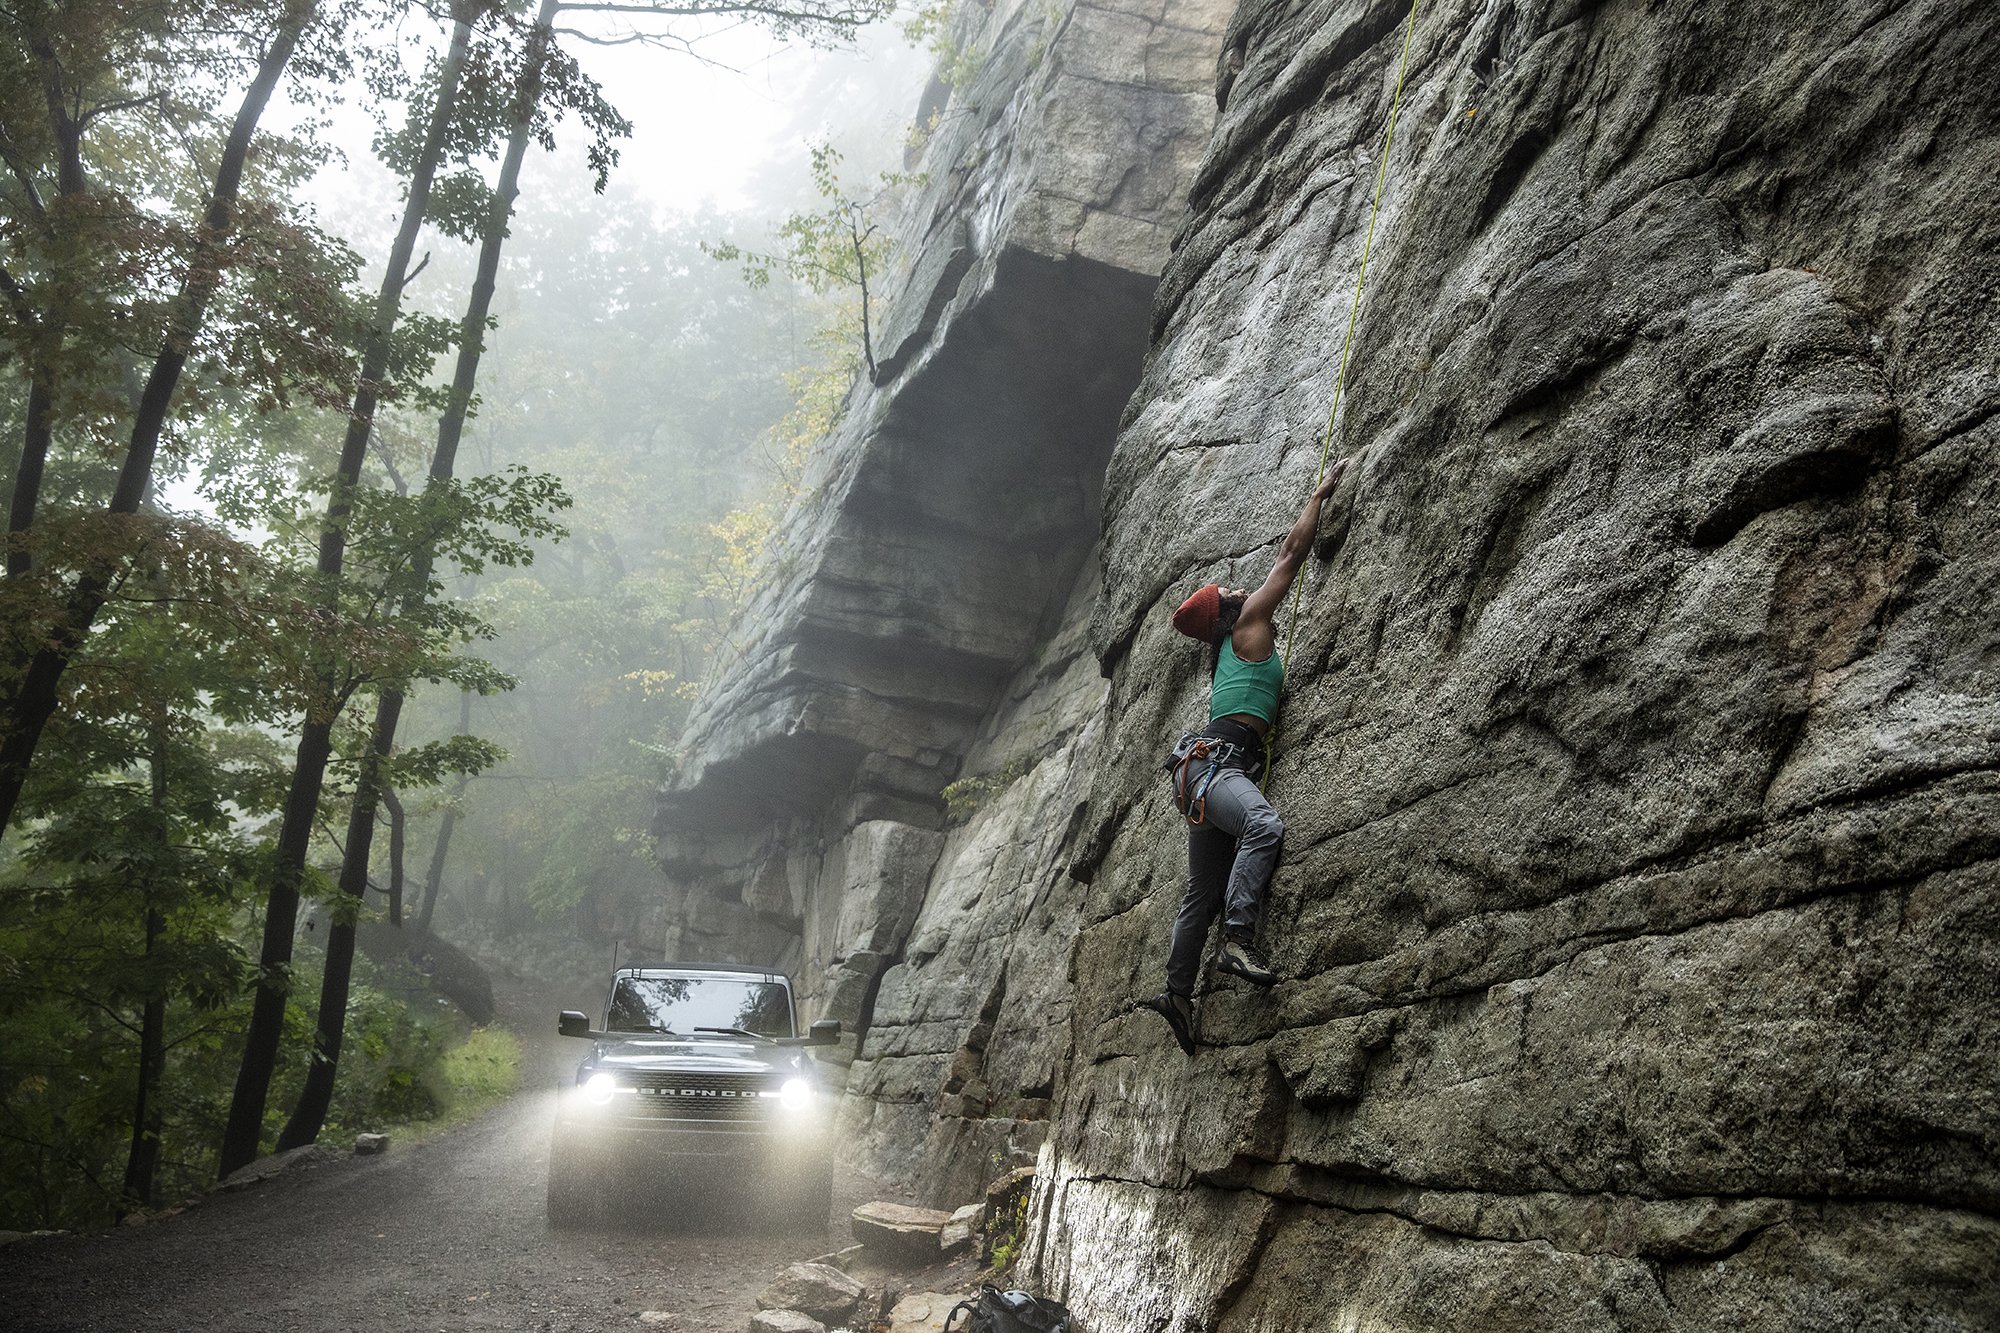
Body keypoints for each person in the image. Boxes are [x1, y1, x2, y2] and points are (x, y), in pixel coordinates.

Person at [1138, 457, 1350, 1056]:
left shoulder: (1229, 653)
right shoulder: (1250, 626)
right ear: (1234, 613)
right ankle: (1237, 938)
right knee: (1264, 825)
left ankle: (1177, 995)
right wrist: (1320, 494)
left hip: (1198, 776)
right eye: (1234, 593)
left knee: (1200, 889)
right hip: (1216, 770)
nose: (1242, 589)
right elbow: (1290, 556)